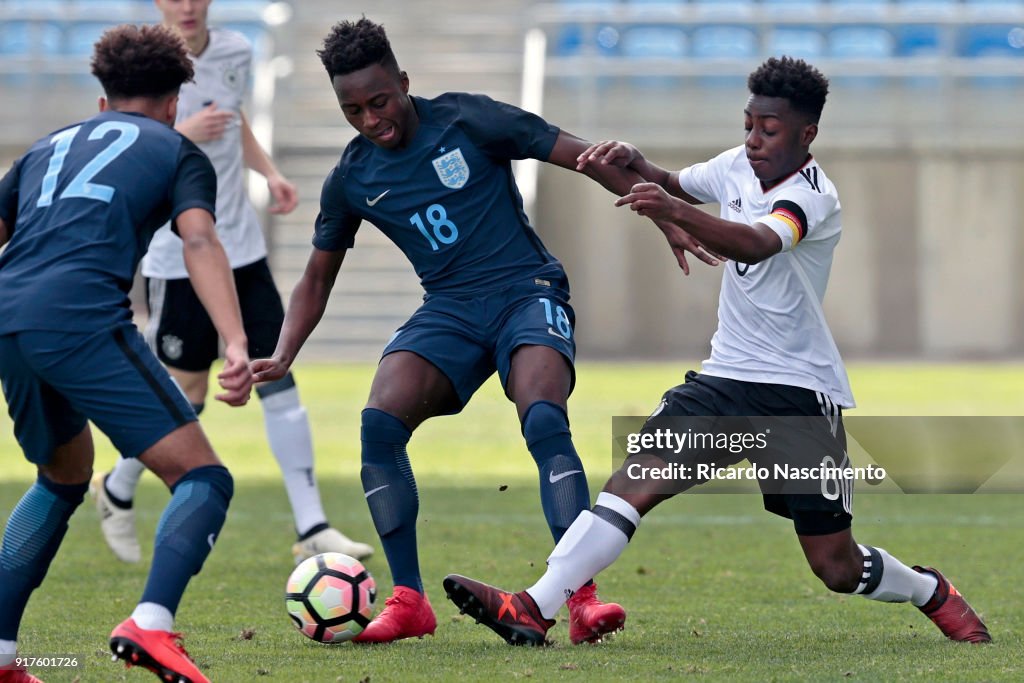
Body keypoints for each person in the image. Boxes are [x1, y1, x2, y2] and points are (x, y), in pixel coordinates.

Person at [443, 56, 992, 647]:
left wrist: (673, 210)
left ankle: (929, 590)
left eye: (769, 129)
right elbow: (673, 182)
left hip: (798, 396)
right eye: (748, 124)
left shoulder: (814, 196)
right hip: (724, 379)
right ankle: (533, 606)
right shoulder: (736, 165)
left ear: (807, 134)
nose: (753, 140)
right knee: (633, 483)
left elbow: (757, 243)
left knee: (835, 566)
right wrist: (632, 161)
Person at [249, 17, 713, 645]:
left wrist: (664, 213)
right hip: (450, 310)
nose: (369, 119)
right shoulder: (353, 177)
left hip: (528, 289)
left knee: (544, 417)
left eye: (379, 101)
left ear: (405, 83)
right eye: (351, 109)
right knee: (378, 424)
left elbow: (584, 156)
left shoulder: (468, 120)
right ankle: (410, 600)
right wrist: (283, 352)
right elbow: (316, 277)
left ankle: (578, 600)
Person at [0, 24, 255, 683]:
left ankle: (0, 653)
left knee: (62, 475)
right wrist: (233, 339)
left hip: (10, 317)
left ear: (103, 102)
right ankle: (151, 622)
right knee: (203, 476)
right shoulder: (176, 148)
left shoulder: (44, 148)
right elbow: (198, 241)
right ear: (175, 104)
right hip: (81, 317)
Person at [90, 0, 373, 565]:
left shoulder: (236, 51)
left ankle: (312, 525)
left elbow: (234, 116)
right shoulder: (143, 69)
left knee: (277, 376)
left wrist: (267, 171)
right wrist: (183, 131)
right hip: (179, 257)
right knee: (187, 394)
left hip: (241, 248)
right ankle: (118, 486)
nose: (188, 6)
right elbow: (116, 140)